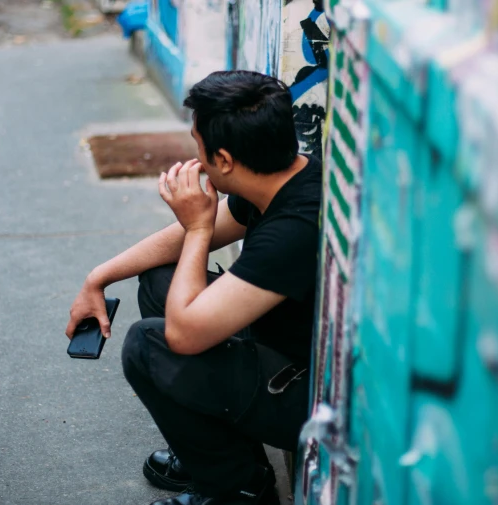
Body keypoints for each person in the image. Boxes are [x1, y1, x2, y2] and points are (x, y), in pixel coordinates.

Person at [66, 70, 321, 505]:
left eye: (198, 143)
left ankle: (239, 491)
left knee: (149, 346)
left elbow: (182, 336)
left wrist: (199, 225)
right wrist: (99, 276)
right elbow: (179, 244)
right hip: (279, 342)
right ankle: (223, 458)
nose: (195, 156)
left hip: (304, 398)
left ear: (223, 160)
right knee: (161, 280)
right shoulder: (282, 176)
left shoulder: (295, 228)